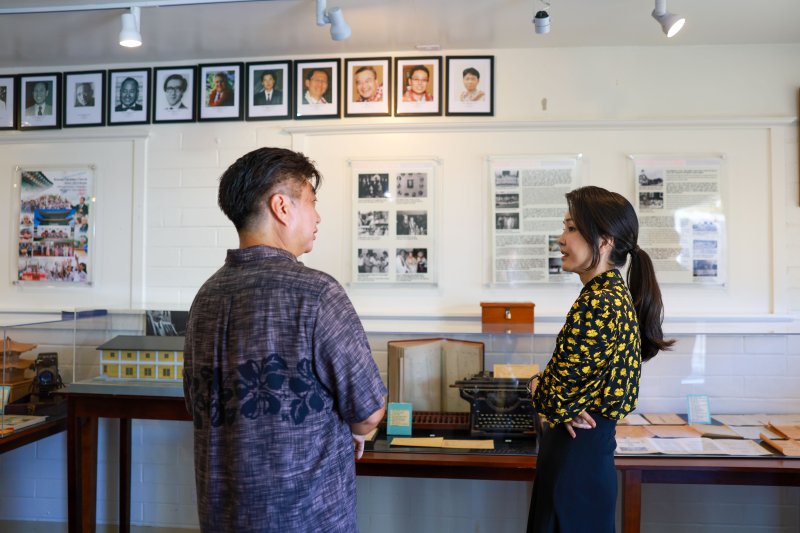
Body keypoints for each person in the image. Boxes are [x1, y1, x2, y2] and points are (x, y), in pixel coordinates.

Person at [183, 147, 386, 532]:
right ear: (282, 206)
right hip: (306, 518)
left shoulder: (205, 296)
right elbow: (368, 412)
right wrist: (360, 430)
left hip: (223, 517)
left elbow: (198, 406)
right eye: (311, 201)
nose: (317, 215)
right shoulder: (318, 293)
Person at [527, 186, 674, 533]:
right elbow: (562, 396)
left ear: (605, 241)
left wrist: (535, 384)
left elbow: (550, 395)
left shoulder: (598, 302)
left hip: (574, 460)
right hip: (588, 455)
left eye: (572, 229)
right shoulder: (613, 294)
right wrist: (559, 400)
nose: (562, 239)